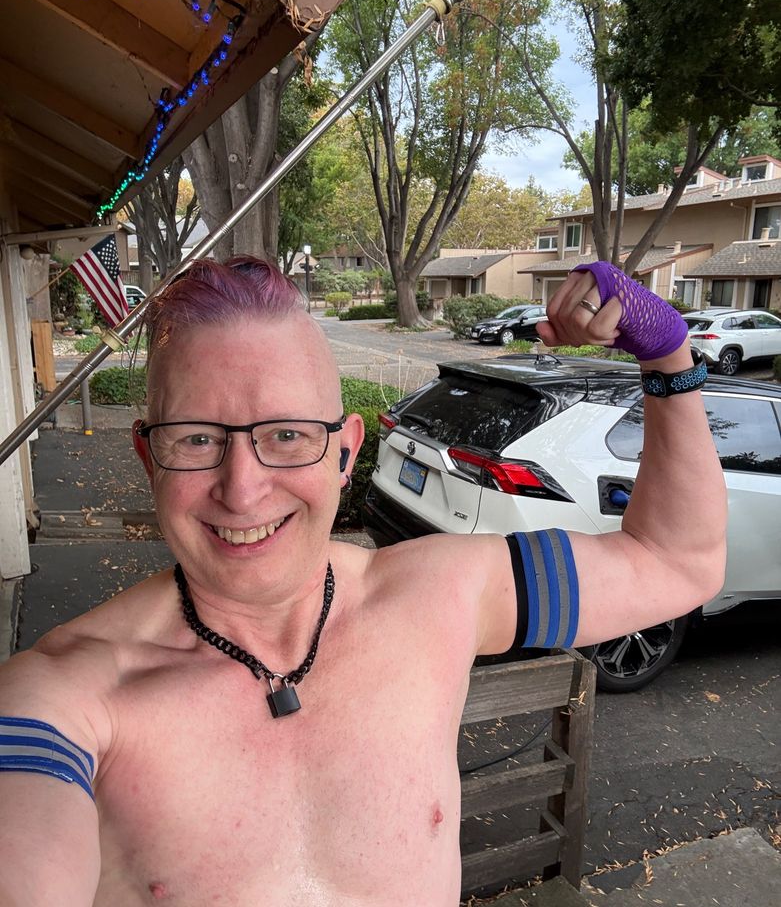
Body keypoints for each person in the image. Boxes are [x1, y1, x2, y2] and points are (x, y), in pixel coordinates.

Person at [0, 256, 726, 906]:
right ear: (147, 457)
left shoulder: (436, 601)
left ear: (345, 453)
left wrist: (667, 359)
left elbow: (676, 563)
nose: (243, 489)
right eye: (197, 438)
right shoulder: (67, 696)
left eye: (286, 435)